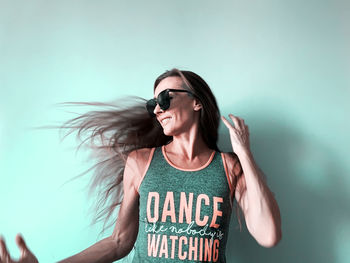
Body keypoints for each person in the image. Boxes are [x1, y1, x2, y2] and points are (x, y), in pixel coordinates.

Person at [0, 69, 282, 263]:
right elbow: (120, 241)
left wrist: (244, 152)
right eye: (153, 104)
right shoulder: (141, 162)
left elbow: (268, 235)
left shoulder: (228, 167)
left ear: (196, 102)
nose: (158, 109)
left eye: (165, 98)